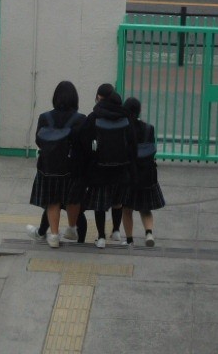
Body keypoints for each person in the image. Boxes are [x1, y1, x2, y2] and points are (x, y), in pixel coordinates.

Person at [28, 81, 86, 248]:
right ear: (75, 99)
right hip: (71, 169)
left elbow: (39, 141)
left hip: (48, 168)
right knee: (73, 200)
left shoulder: (44, 117)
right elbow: (84, 145)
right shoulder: (80, 120)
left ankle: (53, 236)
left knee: (52, 202)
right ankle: (72, 228)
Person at [80, 84, 137, 249]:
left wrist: (89, 163)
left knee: (99, 205)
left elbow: (84, 141)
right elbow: (132, 144)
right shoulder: (126, 117)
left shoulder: (94, 117)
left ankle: (101, 237)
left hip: (99, 168)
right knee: (117, 202)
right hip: (121, 168)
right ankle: (117, 231)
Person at [121, 97, 166, 247]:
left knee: (127, 210)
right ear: (139, 111)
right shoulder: (149, 128)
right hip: (147, 175)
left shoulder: (124, 129)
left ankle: (129, 240)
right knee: (145, 208)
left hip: (129, 175)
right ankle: (149, 233)